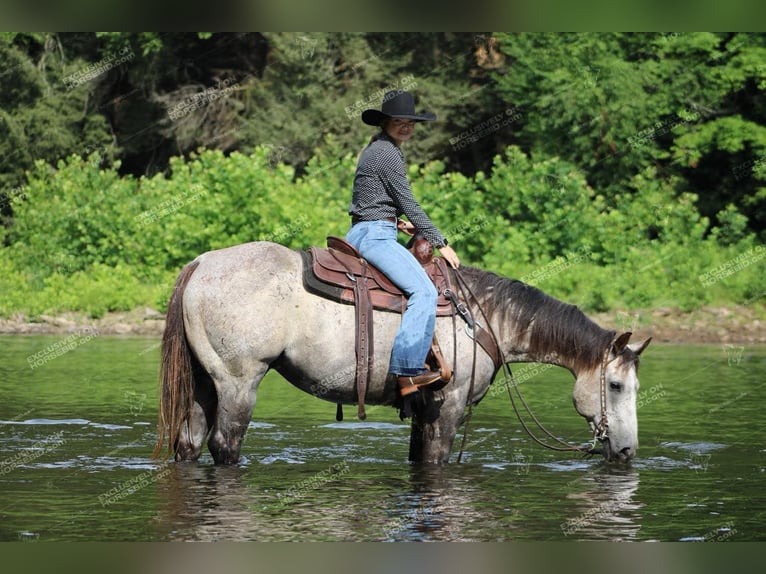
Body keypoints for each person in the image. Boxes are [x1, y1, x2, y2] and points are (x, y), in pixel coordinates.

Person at [346, 90, 460, 398]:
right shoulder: (387, 153)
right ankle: (408, 373)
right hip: (375, 235)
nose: (406, 127)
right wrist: (441, 242)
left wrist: (395, 221)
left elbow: (371, 199)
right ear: (385, 122)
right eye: (399, 121)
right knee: (423, 291)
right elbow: (408, 201)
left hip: (368, 229)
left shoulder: (378, 148)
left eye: (410, 122)